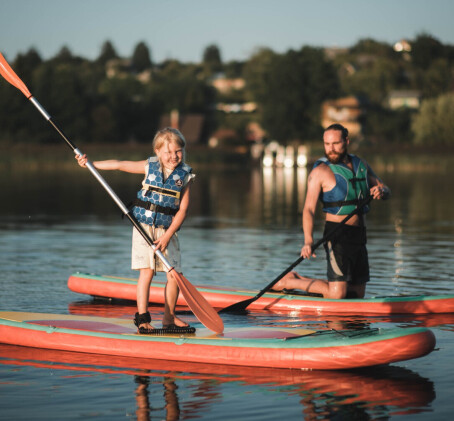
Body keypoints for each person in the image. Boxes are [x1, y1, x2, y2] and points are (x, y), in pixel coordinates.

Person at [76, 127, 195, 333]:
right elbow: (119, 164)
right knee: (146, 273)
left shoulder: (185, 175)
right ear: (157, 152)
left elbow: (182, 210)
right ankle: (142, 319)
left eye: (178, 151)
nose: (173, 156)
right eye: (168, 152)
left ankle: (169, 318)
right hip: (144, 228)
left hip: (168, 230)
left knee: (175, 275)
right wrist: (91, 164)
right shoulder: (149, 166)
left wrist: (167, 236)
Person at [274, 124, 390, 299]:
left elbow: (385, 188)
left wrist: (382, 191)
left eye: (335, 143)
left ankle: (301, 279)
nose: (331, 149)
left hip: (359, 234)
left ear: (347, 141)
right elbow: (308, 209)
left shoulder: (361, 164)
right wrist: (308, 240)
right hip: (337, 235)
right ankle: (288, 282)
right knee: (337, 295)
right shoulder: (320, 171)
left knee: (357, 294)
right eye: (327, 144)